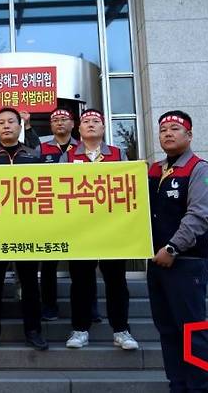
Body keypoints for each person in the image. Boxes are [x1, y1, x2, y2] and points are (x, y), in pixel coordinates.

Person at [148, 110, 208, 392]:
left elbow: (199, 216)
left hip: (187, 263)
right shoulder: (154, 170)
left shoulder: (201, 169)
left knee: (195, 330)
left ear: (189, 136)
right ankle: (177, 385)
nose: (168, 133)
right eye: (163, 129)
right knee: (168, 330)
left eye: (175, 129)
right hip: (156, 263)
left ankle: (201, 388)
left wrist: (173, 248)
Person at [60, 109, 138, 350]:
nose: (91, 125)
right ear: (79, 129)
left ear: (104, 129)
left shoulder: (118, 154)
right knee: (81, 282)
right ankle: (80, 329)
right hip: (81, 231)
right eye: (86, 122)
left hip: (112, 230)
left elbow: (130, 188)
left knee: (116, 282)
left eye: (96, 122)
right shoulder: (69, 156)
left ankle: (121, 330)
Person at [0, 107, 48, 351]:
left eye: (11, 122)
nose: (6, 126)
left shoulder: (33, 157)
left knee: (29, 283)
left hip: (27, 231)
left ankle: (34, 330)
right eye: (1, 123)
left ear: (20, 126)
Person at [34, 108, 79, 321]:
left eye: (64, 119)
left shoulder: (84, 149)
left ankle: (88, 307)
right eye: (55, 120)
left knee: (81, 265)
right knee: (49, 264)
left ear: (73, 124)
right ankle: (49, 306)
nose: (60, 123)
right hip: (49, 215)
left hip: (79, 217)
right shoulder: (40, 150)